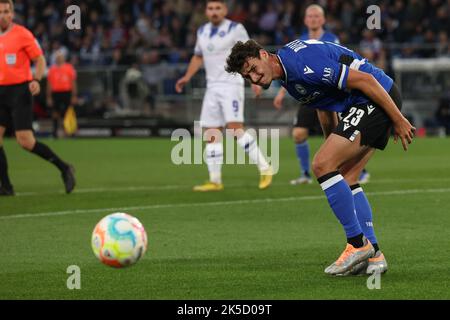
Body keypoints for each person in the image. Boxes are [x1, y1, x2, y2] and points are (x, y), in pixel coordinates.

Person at [225, 39, 415, 275]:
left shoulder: (302, 63)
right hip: (367, 101)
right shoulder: (287, 77)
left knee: (321, 164)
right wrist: (332, 145)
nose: (254, 78)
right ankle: (375, 256)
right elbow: (324, 107)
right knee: (345, 176)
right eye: (247, 77)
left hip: (375, 98)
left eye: (253, 69)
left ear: (264, 55)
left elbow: (365, 80)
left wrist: (398, 119)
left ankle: (358, 245)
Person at [175, 0, 272, 192]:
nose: (214, 12)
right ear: (206, 11)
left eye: (218, 8)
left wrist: (256, 81)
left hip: (231, 85)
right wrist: (186, 77)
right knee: (211, 133)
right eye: (210, 8)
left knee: (235, 130)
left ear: (225, 10)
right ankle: (215, 180)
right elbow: (198, 56)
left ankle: (265, 167)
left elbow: (250, 54)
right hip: (212, 87)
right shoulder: (202, 31)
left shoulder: (236, 29)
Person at [273, 4, 370, 185]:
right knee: (298, 133)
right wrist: (280, 93)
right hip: (309, 94)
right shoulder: (299, 41)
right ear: (305, 20)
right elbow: (289, 72)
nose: (313, 19)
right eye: (310, 16)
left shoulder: (331, 39)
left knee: (341, 134)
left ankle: (358, 170)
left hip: (331, 93)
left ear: (323, 19)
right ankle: (305, 174)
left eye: (317, 16)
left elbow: (340, 65)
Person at [0, 0, 75, 196]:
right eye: (0, 12)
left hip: (19, 92)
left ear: (12, 14)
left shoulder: (22, 34)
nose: (3, 15)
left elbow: (39, 59)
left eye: (6, 11)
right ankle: (6, 186)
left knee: (25, 141)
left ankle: (64, 168)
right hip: (0, 92)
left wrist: (36, 79)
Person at [46, 50, 78, 138]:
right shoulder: (52, 70)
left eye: (60, 57)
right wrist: (49, 97)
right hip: (56, 93)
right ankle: (55, 132)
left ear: (63, 58)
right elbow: (49, 84)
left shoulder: (69, 68)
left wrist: (74, 95)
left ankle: (70, 132)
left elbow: (73, 82)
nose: (59, 59)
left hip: (67, 93)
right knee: (55, 113)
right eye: (57, 57)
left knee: (69, 112)